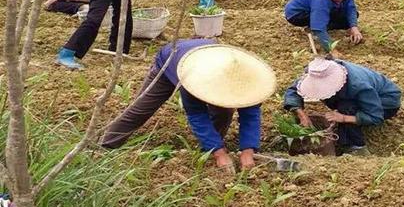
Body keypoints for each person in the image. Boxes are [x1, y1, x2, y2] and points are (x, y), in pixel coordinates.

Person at [101, 41, 276, 172]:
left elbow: (250, 114)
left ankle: (208, 149)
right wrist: (219, 153)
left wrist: (248, 150)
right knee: (142, 108)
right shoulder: (193, 78)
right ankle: (104, 145)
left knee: (224, 111)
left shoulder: (249, 81)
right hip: (171, 60)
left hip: (211, 60)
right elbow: (196, 114)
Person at [283, 57, 401, 155]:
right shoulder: (317, 72)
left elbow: (375, 116)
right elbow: (293, 91)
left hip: (385, 103)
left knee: (346, 107)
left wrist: (343, 117)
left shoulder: (359, 86)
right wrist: (302, 115)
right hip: (357, 96)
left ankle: (356, 147)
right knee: (344, 105)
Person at [284, 0, 363, 52]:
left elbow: (350, 8)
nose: (342, 0)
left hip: (319, 8)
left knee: (349, 18)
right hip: (296, 15)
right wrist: (332, 50)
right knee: (319, 25)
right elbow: (319, 28)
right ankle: (314, 28)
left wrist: (354, 28)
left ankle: (320, 26)